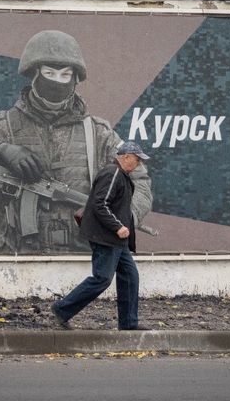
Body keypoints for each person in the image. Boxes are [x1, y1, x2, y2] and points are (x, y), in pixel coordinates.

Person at [0, 30, 152, 254]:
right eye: (49, 73)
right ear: (34, 73)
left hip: (82, 259)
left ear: (75, 79)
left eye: (65, 75)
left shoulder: (98, 133)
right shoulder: (3, 127)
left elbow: (138, 182)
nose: (57, 82)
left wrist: (122, 216)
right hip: (14, 261)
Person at [51, 141, 150, 330]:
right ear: (126, 157)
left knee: (130, 277)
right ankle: (61, 309)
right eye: (137, 160)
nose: (138, 164)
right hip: (106, 238)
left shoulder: (121, 175)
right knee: (102, 279)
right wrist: (117, 227)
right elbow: (100, 204)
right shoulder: (113, 173)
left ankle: (129, 324)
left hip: (117, 241)